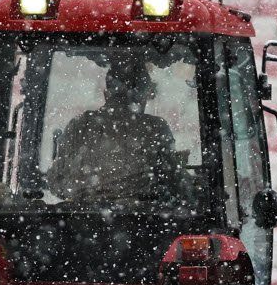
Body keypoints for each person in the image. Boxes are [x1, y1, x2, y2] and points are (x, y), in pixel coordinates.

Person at [46, 58, 186, 203]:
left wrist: (88, 194)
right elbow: (175, 185)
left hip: (82, 218)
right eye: (146, 96)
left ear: (106, 94)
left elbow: (57, 183)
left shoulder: (78, 125)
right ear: (141, 95)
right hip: (142, 219)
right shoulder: (155, 127)